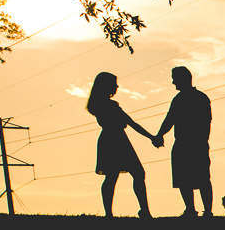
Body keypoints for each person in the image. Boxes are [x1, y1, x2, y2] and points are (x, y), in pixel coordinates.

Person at [86, 72, 157, 217]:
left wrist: (151, 137)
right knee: (133, 174)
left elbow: (128, 122)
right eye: (114, 83)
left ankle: (111, 213)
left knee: (113, 177)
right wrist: (151, 137)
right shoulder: (109, 105)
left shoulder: (99, 105)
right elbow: (131, 123)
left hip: (112, 139)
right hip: (116, 140)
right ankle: (143, 211)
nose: (117, 86)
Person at [153, 67, 213, 216]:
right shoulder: (195, 98)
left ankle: (203, 211)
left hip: (191, 144)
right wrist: (160, 134)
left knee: (201, 178)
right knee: (188, 178)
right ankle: (194, 210)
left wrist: (160, 135)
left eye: (175, 78)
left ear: (183, 78)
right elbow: (170, 120)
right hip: (191, 144)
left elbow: (170, 120)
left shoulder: (190, 99)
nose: (173, 82)